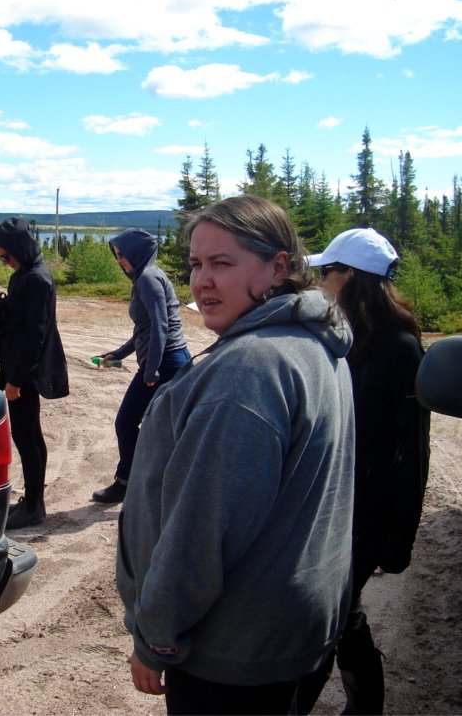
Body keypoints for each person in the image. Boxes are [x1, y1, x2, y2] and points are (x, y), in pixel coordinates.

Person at [116, 195, 356, 715]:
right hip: (287, 633)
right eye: (197, 263)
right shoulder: (310, 342)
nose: (202, 280)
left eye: (222, 263)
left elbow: (200, 531)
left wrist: (155, 638)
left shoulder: (250, 371)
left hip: (232, 648)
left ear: (278, 266)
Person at [298, 227, 431, 715]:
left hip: (366, 512)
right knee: (343, 612)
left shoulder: (400, 348)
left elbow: (413, 452)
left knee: (324, 616)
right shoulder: (342, 334)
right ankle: (365, 706)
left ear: (350, 275)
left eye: (328, 270)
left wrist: (400, 540)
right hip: (330, 502)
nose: (321, 280)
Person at [91, 228, 191, 504]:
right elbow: (145, 328)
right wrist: (119, 354)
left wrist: (151, 371)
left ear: (136, 252)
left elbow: (161, 326)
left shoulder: (148, 278)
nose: (119, 260)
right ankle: (147, 484)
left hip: (167, 363)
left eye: (122, 254)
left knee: (126, 422)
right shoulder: (147, 276)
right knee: (163, 427)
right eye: (117, 255)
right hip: (166, 361)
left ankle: (127, 483)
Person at [0, 217, 69, 530]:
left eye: (5, 256)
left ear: (18, 249)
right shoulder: (24, 274)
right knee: (28, 434)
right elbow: (20, 322)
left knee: (27, 436)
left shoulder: (37, 279)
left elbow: (34, 334)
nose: (4, 262)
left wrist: (16, 380)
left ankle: (34, 506)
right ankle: (34, 500)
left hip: (24, 374)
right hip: (16, 367)